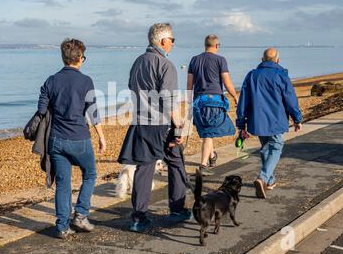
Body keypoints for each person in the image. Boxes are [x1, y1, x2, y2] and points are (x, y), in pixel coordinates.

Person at [118, 23, 192, 233]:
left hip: (141, 122)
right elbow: (169, 100)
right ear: (162, 41)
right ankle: (177, 209)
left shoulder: (138, 62)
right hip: (160, 124)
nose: (173, 44)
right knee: (176, 162)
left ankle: (138, 218)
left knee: (144, 167)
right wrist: (178, 126)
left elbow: (132, 88)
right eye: (172, 40)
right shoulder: (165, 64)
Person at [38, 39, 106, 239]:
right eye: (83, 57)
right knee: (90, 174)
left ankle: (61, 227)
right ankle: (81, 214)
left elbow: (42, 109)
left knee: (63, 183)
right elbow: (93, 113)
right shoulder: (86, 81)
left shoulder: (51, 80)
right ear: (79, 58)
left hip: (56, 139)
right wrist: (102, 137)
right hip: (79, 138)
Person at [236, 48, 302, 199]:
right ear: (277, 60)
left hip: (258, 121)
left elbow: (243, 101)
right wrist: (297, 119)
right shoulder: (281, 75)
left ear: (262, 59)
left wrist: (241, 123)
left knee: (266, 149)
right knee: (276, 147)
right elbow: (290, 99)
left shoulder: (252, 75)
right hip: (276, 120)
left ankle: (270, 181)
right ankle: (263, 178)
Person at [187, 35, 238, 176]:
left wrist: (188, 103)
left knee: (207, 132)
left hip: (199, 101)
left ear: (205, 45)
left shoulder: (194, 60)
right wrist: (235, 96)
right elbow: (227, 83)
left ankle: (212, 156)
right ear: (217, 46)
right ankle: (203, 165)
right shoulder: (220, 60)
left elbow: (189, 85)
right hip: (214, 101)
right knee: (209, 133)